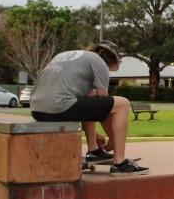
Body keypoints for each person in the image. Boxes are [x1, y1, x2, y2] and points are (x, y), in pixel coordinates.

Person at [30, 41, 148, 175]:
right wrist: (113, 140)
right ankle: (119, 162)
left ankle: (94, 151)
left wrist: (96, 134)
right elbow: (105, 104)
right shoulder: (99, 62)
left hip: (37, 109)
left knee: (89, 98)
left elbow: (90, 104)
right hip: (59, 106)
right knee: (122, 104)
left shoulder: (67, 56)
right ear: (114, 59)